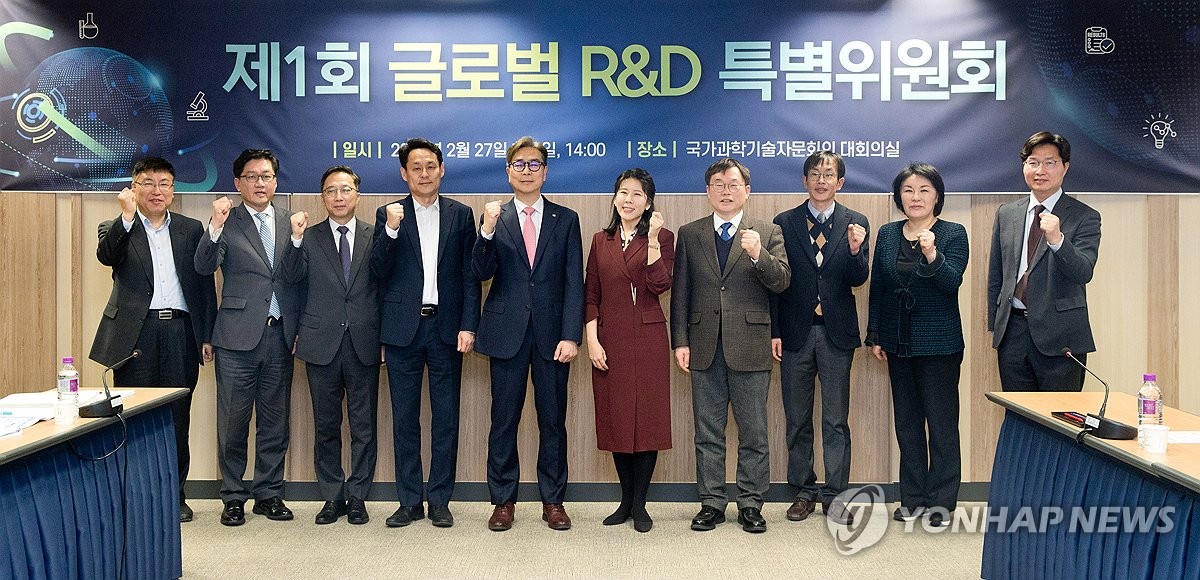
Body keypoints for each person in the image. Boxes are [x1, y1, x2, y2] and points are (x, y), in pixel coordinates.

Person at [89, 156, 217, 523]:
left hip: (180, 330)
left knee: (177, 418)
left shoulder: (191, 229)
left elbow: (204, 284)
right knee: (134, 418)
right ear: (133, 188)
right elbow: (107, 256)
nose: (156, 191)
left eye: (164, 184)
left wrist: (206, 334)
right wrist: (127, 217)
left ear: (173, 190)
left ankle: (175, 497)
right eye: (148, 183)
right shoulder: (116, 226)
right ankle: (134, 498)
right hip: (136, 334)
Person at [670, 158, 790, 533]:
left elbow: (782, 281)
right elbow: (680, 292)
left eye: (733, 184)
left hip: (751, 344)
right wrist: (680, 341)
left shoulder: (767, 231)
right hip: (703, 344)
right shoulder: (690, 233)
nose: (726, 191)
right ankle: (711, 502)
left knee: (754, 432)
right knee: (708, 432)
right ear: (708, 191)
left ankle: (751, 503)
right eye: (718, 185)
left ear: (747, 191)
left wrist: (758, 255)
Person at [473, 136, 584, 532]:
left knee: (552, 421)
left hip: (553, 337)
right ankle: (503, 501)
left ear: (545, 172)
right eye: (518, 164)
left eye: (534, 164)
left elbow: (574, 282)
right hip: (507, 333)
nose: (526, 171)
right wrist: (486, 231)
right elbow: (480, 272)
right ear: (508, 172)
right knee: (503, 420)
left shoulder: (565, 219)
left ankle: (553, 501)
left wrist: (571, 335)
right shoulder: (494, 216)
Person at [370, 138, 480, 529]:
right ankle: (409, 501)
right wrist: (391, 230)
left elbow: (470, 276)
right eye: (415, 167)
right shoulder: (389, 213)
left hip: (446, 329)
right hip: (403, 331)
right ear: (404, 173)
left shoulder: (461, 215)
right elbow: (377, 271)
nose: (424, 173)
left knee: (446, 418)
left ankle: (440, 500)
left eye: (431, 166)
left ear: (442, 169)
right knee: (405, 419)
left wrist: (469, 324)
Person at [195, 149, 302, 526]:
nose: (260, 183)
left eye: (267, 176)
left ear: (275, 181)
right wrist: (214, 225)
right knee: (233, 423)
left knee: (275, 422)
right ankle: (233, 496)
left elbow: (297, 279)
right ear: (238, 183)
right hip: (236, 338)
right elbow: (203, 266)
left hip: (279, 335)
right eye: (252, 177)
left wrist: (298, 329)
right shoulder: (228, 220)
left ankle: (269, 494)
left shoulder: (291, 221)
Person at [865, 162, 968, 528]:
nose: (916, 197)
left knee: (941, 425)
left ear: (937, 195)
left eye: (924, 190)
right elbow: (879, 287)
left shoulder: (953, 233)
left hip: (940, 345)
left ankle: (941, 502)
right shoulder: (888, 233)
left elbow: (951, 282)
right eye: (908, 190)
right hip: (898, 343)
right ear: (899, 197)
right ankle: (912, 498)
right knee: (907, 425)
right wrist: (875, 334)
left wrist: (932, 255)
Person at [770, 151, 869, 526]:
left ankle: (836, 495)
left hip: (836, 333)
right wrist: (775, 332)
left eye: (829, 175)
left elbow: (858, 278)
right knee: (797, 419)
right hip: (795, 332)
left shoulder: (856, 222)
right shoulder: (784, 222)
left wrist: (856, 250)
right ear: (804, 180)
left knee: (835, 420)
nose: (821, 180)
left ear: (840, 182)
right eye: (815, 174)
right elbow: (778, 282)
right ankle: (803, 491)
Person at [280, 166, 380, 525]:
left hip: (364, 341)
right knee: (326, 426)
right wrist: (294, 240)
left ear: (358, 195)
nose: (338, 197)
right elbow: (290, 281)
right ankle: (332, 496)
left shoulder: (376, 234)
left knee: (363, 426)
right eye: (331, 191)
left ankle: (358, 497)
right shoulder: (307, 236)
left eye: (345, 189)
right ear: (322, 197)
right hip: (320, 342)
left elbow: (385, 289)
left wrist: (384, 338)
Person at [584, 168, 674, 533]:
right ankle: (625, 501)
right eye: (623, 192)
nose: (628, 200)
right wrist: (592, 340)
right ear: (615, 197)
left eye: (637, 194)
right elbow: (591, 294)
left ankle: (640, 504)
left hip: (648, 338)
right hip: (610, 339)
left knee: (647, 420)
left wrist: (651, 242)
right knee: (617, 419)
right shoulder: (600, 240)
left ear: (648, 202)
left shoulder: (663, 237)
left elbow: (660, 284)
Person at [987, 131, 1101, 391]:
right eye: (1033, 162)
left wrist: (1058, 240)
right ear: (1024, 166)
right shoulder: (1007, 213)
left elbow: (1083, 271)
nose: (1040, 170)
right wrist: (997, 325)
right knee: (1016, 412)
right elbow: (997, 274)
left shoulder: (1085, 216)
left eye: (1050, 162)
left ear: (1065, 167)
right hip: (1012, 333)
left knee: (1059, 413)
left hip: (1060, 337)